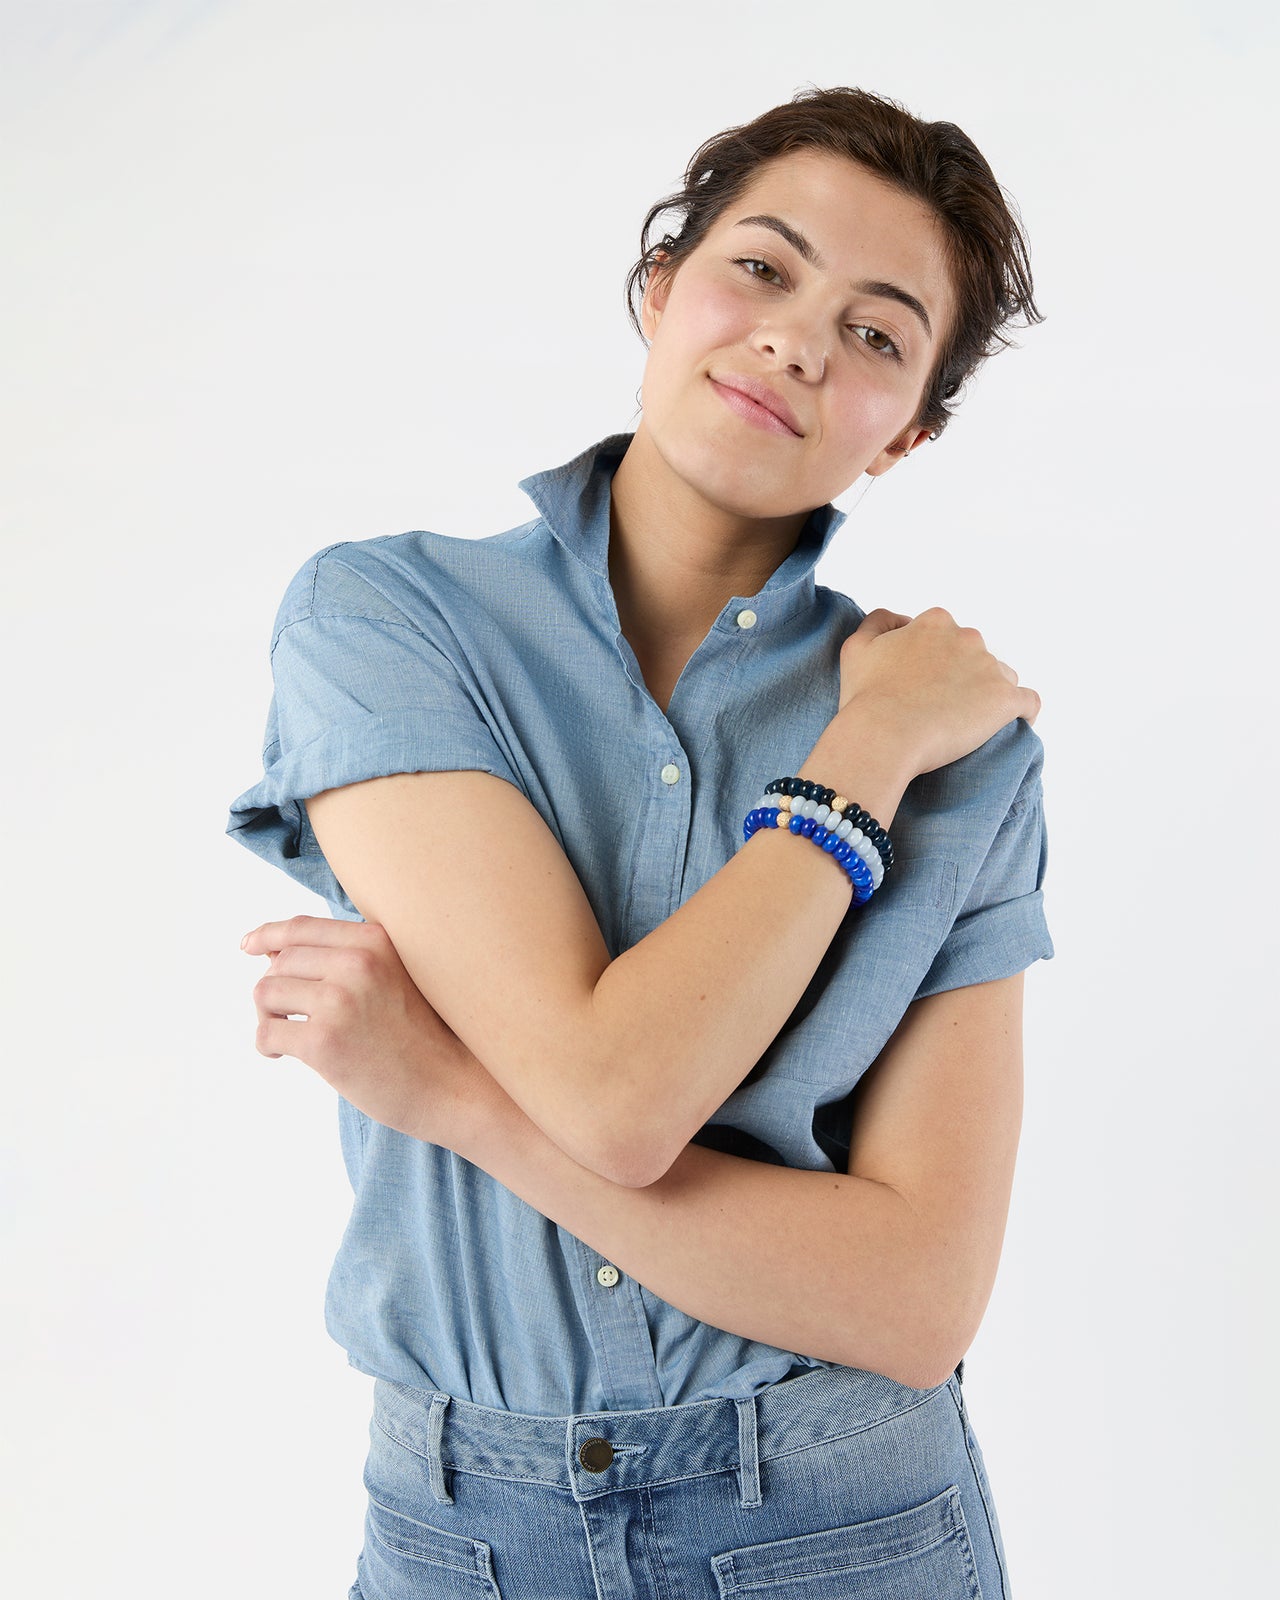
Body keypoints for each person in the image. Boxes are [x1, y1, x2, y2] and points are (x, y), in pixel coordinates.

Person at [229, 85, 1050, 1600]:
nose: (801, 338)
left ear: (909, 434)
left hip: (848, 1527)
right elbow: (621, 1097)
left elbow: (916, 1298)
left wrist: (456, 1098)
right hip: (462, 1526)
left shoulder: (957, 747)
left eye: (878, 335)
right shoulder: (391, 622)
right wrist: (861, 766)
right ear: (662, 286)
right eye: (764, 268)